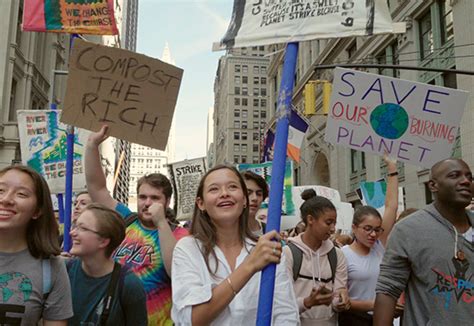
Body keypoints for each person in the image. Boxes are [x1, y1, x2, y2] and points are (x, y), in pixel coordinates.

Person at [84, 125, 188, 325]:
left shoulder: (180, 234)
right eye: (142, 197)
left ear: (167, 202)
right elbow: (97, 188)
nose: (147, 202)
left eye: (155, 198)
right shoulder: (126, 219)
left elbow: (176, 272)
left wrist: (161, 223)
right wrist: (92, 145)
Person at [171, 165, 299, 325]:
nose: (224, 193)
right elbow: (192, 319)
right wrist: (249, 266)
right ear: (201, 203)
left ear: (244, 200)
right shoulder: (188, 249)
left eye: (232, 187)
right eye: (214, 189)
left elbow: (286, 315)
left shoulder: (267, 249)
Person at [374, 158, 473, 326]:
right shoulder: (408, 230)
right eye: (455, 175)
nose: (465, 181)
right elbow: (388, 291)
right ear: (433, 185)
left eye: (469, 177)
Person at [0, 165, 73, 325]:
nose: (6, 199)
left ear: (37, 210)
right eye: (1, 191)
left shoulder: (51, 267)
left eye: (21, 194)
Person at [339, 155, 399, 325]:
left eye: (377, 229)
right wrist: (376, 304)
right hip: (354, 321)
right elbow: (340, 301)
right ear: (354, 228)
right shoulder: (342, 255)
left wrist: (392, 169)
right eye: (367, 229)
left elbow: (391, 206)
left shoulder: (380, 245)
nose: (373, 234)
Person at [67, 203, 147, 325]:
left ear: (103, 241)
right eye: (75, 226)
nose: (72, 233)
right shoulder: (65, 271)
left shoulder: (129, 285)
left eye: (82, 228)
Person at [283, 189, 350, 325]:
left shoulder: (337, 254)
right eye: (328, 222)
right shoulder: (288, 254)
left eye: (334, 223)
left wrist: (340, 300)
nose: (332, 229)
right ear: (310, 220)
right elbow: (281, 304)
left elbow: (338, 294)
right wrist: (308, 302)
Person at [242, 170, 269, 236]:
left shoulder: (269, 230)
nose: (255, 198)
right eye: (248, 193)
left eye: (259, 194)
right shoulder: (224, 232)